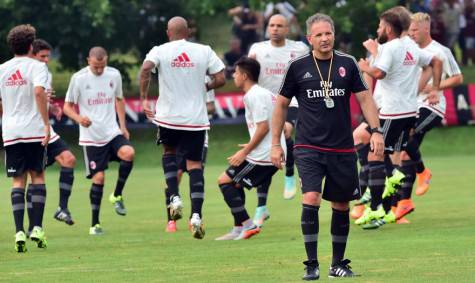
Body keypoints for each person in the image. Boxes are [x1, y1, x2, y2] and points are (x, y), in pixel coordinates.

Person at [270, 13, 384, 279]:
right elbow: (281, 105)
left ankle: (337, 264)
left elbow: (365, 99)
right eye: (319, 35)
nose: (324, 38)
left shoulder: (348, 63)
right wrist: (276, 143)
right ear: (310, 38)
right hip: (308, 146)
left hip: (343, 147)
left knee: (341, 204)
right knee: (311, 197)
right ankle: (311, 265)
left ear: (333, 35)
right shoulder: (298, 67)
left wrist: (376, 131)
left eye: (328, 33)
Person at [139, 16, 225, 239]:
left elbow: (146, 69)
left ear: (168, 32)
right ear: (188, 32)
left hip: (169, 117)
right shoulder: (204, 50)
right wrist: (205, 86)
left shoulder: (159, 50)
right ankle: (196, 215)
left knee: (169, 154)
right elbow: (221, 78)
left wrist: (144, 98)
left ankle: (174, 198)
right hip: (195, 119)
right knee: (195, 165)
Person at [357, 9, 442, 228]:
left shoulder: (391, 47)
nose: (377, 30)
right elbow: (436, 61)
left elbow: (380, 74)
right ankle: (382, 203)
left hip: (392, 112)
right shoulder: (410, 46)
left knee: (375, 154)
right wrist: (436, 89)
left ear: (387, 28)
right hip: (410, 111)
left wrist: (365, 66)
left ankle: (375, 209)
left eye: (379, 26)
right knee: (384, 154)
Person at [63, 46, 135, 235]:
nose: (99, 70)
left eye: (102, 66)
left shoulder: (114, 75)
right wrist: (79, 119)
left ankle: (117, 194)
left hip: (112, 132)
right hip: (91, 138)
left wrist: (123, 126)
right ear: (88, 61)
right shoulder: (78, 79)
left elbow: (119, 99)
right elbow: (67, 107)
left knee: (129, 153)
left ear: (107, 60)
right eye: (96, 66)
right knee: (99, 178)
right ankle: (95, 224)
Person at [248, 14, 309, 227]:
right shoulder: (257, 48)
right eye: (271, 25)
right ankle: (261, 207)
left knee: (286, 132)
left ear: (287, 28)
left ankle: (290, 173)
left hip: (291, 103)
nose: (274, 29)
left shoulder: (300, 48)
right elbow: (250, 74)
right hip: (266, 106)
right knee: (265, 156)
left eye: (279, 25)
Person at [216, 57, 285, 241]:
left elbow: (263, 127)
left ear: (244, 76)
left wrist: (244, 152)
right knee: (235, 183)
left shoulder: (254, 95)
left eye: (236, 73)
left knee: (224, 181)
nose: (233, 76)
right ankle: (238, 228)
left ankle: (248, 225)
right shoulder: (264, 93)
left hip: (265, 155)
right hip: (267, 151)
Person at [0, 24, 50, 252]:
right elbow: (39, 92)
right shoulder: (38, 67)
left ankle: (19, 231)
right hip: (33, 130)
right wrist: (47, 124)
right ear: (31, 45)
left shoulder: (2, 69)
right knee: (37, 176)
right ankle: (37, 227)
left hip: (11, 131)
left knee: (17, 181)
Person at [405, 12, 463, 197]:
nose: (411, 33)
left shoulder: (441, 51)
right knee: (406, 153)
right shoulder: (408, 50)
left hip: (431, 105)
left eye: (414, 30)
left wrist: (435, 86)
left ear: (426, 29)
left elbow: (458, 78)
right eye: (409, 30)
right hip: (410, 105)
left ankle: (423, 172)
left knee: (405, 135)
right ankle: (402, 205)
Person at [26, 39, 76, 230]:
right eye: (42, 56)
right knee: (36, 177)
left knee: (68, 159)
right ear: (32, 54)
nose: (47, 60)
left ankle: (62, 208)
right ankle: (32, 227)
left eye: (48, 56)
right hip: (31, 131)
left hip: (46, 129)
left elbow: (41, 102)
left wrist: (52, 107)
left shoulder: (46, 74)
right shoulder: (25, 72)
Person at [164, 77, 216, 233]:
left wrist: (195, 109)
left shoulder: (205, 79)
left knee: (196, 174)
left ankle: (195, 218)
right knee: (176, 175)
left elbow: (211, 108)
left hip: (198, 132)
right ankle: (171, 220)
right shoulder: (173, 75)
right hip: (178, 131)